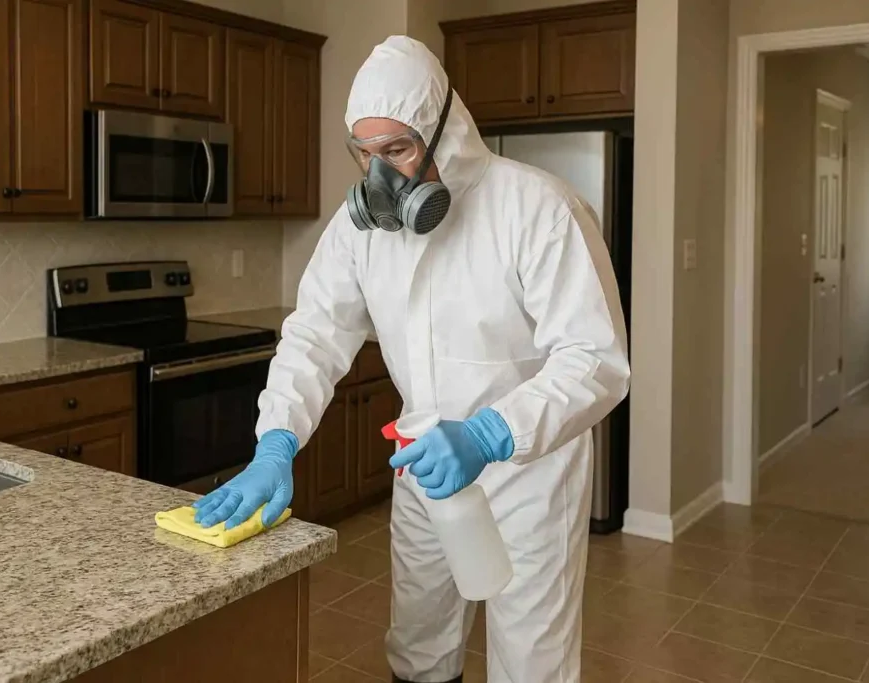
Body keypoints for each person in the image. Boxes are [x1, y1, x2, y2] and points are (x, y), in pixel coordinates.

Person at [192, 35, 630, 683]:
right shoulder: (357, 232)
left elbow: (595, 359)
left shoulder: (538, 209)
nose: (381, 178)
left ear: (444, 132)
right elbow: (315, 334)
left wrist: (489, 432)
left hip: (527, 472)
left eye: (397, 151)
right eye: (364, 154)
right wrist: (275, 442)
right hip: (424, 466)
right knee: (420, 645)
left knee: (531, 661)